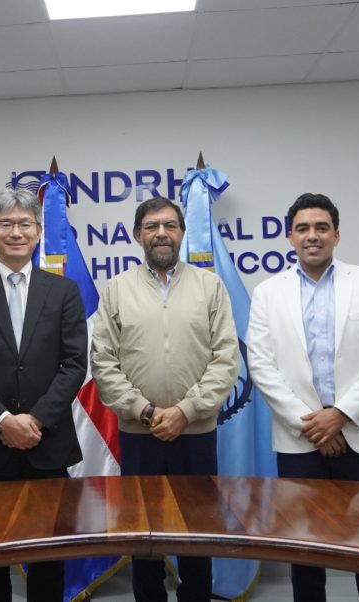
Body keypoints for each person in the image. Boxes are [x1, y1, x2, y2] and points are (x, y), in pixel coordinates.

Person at [247, 192, 359, 602]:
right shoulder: (268, 292)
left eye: (321, 227)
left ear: (337, 234)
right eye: (302, 228)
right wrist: (314, 424)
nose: (312, 235)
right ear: (290, 237)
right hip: (300, 440)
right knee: (305, 547)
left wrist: (340, 415)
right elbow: (261, 365)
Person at [91, 196, 239, 602]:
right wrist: (146, 412)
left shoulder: (209, 286)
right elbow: (103, 362)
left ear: (182, 233)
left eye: (170, 225)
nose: (161, 233)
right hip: (140, 435)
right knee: (145, 534)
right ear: (137, 235)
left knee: (197, 532)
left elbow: (226, 358)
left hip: (196, 433)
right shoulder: (117, 289)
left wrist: (185, 411)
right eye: (152, 226)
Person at [0, 187, 87, 602]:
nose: (16, 232)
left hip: (49, 443)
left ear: (39, 231)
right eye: (6, 224)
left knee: (48, 555)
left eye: (25, 224)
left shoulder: (63, 291)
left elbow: (74, 364)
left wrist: (36, 419)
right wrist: (4, 421)